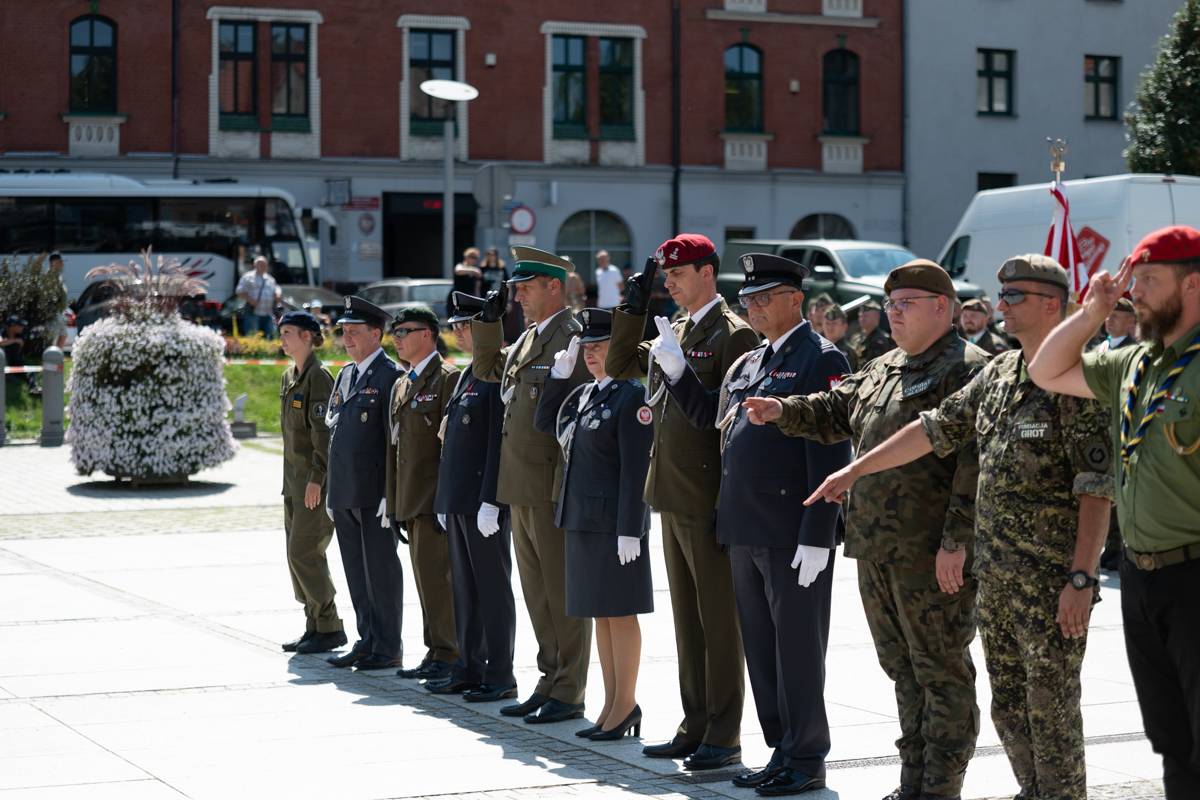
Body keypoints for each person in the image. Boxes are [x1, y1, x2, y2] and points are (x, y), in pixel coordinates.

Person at [813, 254, 1115, 800]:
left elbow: (1096, 489)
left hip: (1049, 583)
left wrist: (1081, 578)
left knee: (1051, 715)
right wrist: (857, 468)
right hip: (997, 579)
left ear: (1054, 304)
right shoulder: (998, 373)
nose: (1001, 305)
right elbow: (932, 430)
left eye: (1014, 296)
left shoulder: (1079, 380)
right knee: (1010, 710)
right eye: (1001, 295)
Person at [743, 261, 990, 800]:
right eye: (892, 303)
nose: (893, 312)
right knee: (903, 670)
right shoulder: (884, 366)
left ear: (942, 308)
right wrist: (782, 407)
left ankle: (941, 787)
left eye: (906, 303)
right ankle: (913, 782)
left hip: (931, 552)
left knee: (941, 671)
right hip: (878, 546)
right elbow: (836, 407)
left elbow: (975, 465)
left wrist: (957, 541)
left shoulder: (968, 368)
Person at [655, 252, 852, 795]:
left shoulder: (820, 358)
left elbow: (832, 446)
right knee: (762, 651)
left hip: (792, 529)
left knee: (798, 649)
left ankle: (806, 758)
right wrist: (676, 372)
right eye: (748, 299)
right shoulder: (749, 363)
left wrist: (819, 534)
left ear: (796, 299)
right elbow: (709, 419)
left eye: (765, 297)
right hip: (744, 526)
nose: (755, 306)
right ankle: (780, 750)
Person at [1028, 226, 1200, 798]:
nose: (1137, 294)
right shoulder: (1133, 362)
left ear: (1193, 284)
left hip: (1196, 576)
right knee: (1173, 742)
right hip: (1142, 578)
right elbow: (1045, 370)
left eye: (1150, 280)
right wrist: (1090, 312)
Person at [606, 235, 759, 770]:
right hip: (671, 492)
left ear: (708, 273)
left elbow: (730, 421)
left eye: (678, 274)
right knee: (688, 623)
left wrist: (728, 499)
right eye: (664, 276)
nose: (669, 282)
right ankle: (694, 723)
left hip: (707, 495)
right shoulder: (680, 329)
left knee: (718, 620)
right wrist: (632, 306)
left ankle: (724, 730)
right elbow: (622, 359)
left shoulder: (733, 335)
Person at [470, 246, 593, 724]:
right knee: (537, 593)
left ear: (554, 287)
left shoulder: (573, 336)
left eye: (525, 288)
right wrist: (488, 324)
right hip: (519, 483)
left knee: (561, 594)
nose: (517, 296)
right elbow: (486, 370)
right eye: (515, 289)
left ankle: (569, 688)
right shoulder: (526, 339)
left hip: (552, 483)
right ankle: (548, 678)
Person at [534, 308, 654, 741]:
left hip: (613, 525)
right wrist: (556, 379)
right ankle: (612, 705)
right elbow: (545, 423)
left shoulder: (631, 396)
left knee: (620, 614)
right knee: (601, 616)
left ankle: (626, 704)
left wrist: (631, 527)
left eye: (601, 346)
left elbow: (636, 467)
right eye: (587, 347)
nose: (591, 354)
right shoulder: (585, 394)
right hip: (583, 519)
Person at [433, 292, 518, 702]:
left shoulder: (496, 373)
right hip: (459, 499)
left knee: (492, 588)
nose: (458, 333)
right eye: (455, 326)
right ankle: (469, 666)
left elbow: (497, 444)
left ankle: (500, 673)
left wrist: (493, 500)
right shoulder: (466, 375)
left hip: (483, 502)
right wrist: (444, 500)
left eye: (465, 326)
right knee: (465, 589)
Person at [322, 296, 406, 671]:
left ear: (376, 334)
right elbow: (335, 430)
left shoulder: (391, 377)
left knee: (381, 569)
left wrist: (392, 494)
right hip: (345, 490)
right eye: (343, 331)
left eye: (355, 332)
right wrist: (330, 487)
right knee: (356, 567)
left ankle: (387, 646)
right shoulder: (345, 374)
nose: (347, 338)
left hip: (374, 493)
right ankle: (366, 637)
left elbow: (395, 440)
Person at [383, 306, 461, 684]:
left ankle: (449, 651)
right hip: (411, 498)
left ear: (427, 335)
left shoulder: (447, 377)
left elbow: (451, 447)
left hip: (432, 499)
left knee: (438, 580)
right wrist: (392, 499)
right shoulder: (403, 382)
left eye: (404, 331)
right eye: (394, 332)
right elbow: (395, 448)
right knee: (425, 580)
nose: (396, 338)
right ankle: (435, 649)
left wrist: (446, 501)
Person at [276, 311, 347, 655]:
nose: (282, 339)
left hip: (313, 485)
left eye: (288, 332)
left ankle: (330, 626)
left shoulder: (319, 377)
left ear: (307, 336)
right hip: (292, 483)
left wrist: (317, 479)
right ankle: (314, 626)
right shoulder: (290, 376)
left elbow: (325, 435)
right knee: (295, 557)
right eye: (281, 333)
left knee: (305, 553)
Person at [236, 256, 282, 339]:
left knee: (270, 338)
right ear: (255, 266)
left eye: (265, 265)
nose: (263, 267)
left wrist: (278, 295)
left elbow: (277, 289)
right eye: (261, 265)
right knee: (253, 338)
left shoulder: (270, 279)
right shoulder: (248, 277)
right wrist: (250, 300)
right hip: (253, 313)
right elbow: (239, 291)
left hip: (268, 313)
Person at [1, 316, 39, 396]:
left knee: (30, 372)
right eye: (20, 326)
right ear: (12, 327)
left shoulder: (21, 335)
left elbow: (19, 350)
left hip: (16, 363)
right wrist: (15, 340)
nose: (22, 328)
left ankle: (34, 389)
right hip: (3, 364)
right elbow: (0, 342)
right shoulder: (2, 333)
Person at [851, 299, 895, 364]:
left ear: (877, 317)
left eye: (866, 316)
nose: (862, 319)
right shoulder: (855, 338)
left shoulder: (883, 339)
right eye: (860, 316)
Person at [820, 304, 859, 373]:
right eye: (827, 323)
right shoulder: (818, 348)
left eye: (834, 323)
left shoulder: (848, 353)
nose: (830, 327)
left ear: (845, 326)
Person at [46, 251, 69, 349]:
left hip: (59, 312)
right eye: (60, 262)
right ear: (53, 262)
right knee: (51, 337)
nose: (62, 264)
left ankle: (58, 355)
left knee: (63, 334)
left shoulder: (57, 276)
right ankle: (49, 356)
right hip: (53, 312)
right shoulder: (50, 276)